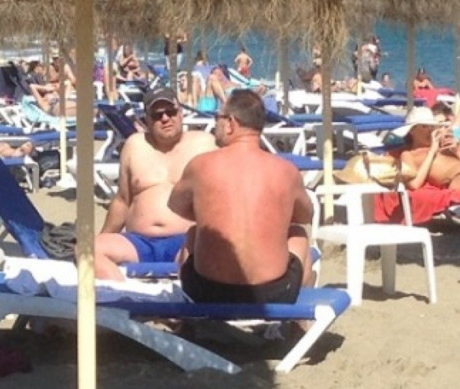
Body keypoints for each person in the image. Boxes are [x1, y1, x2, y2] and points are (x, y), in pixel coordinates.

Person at [166, 88, 314, 303]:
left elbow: (175, 205)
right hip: (272, 293)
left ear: (231, 123)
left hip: (206, 291)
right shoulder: (286, 171)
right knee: (298, 234)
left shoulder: (200, 165)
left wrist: (212, 211)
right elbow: (305, 216)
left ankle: (191, 313)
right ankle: (299, 315)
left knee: (194, 232)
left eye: (217, 117)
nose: (215, 124)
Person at [95, 87, 211, 277]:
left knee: (210, 253)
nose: (165, 118)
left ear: (181, 113)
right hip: (138, 242)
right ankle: (120, 291)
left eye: (171, 112)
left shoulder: (204, 144)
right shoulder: (135, 145)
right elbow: (122, 200)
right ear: (147, 120)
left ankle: (185, 292)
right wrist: (104, 236)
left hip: (186, 241)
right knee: (88, 250)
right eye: (157, 115)